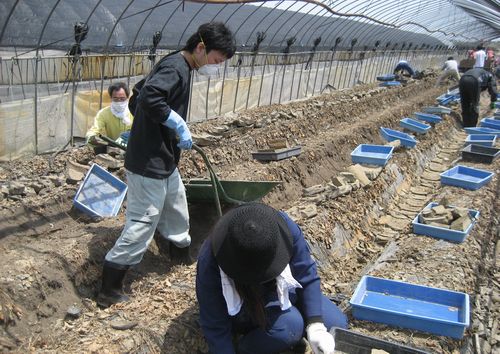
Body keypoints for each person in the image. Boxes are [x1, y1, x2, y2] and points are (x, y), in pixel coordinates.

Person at [97, 22, 236, 308]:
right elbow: (149, 97)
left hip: (164, 158)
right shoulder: (176, 67)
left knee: (176, 207)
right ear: (200, 48)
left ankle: (180, 259)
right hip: (148, 162)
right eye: (216, 60)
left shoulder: (180, 65)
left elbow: (138, 94)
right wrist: (176, 123)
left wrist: (153, 127)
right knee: (143, 223)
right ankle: (110, 286)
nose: (215, 66)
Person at [196, 203, 348, 354]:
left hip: (281, 289)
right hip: (246, 304)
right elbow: (214, 322)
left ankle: (295, 335)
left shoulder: (283, 228)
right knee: (290, 326)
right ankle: (247, 347)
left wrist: (316, 325)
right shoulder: (211, 261)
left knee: (336, 323)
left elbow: (306, 273)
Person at [85, 82, 134, 147]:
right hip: (114, 148)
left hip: (134, 147)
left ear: (128, 97)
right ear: (111, 98)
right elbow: (95, 129)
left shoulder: (134, 111)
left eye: (122, 99)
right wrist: (91, 137)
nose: (119, 102)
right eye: (115, 99)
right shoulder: (104, 113)